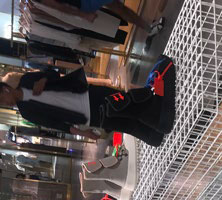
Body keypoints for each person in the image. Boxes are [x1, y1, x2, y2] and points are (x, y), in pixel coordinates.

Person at [0, 68, 171, 147]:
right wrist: (84, 133)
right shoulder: (26, 112)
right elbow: (56, 124)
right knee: (127, 123)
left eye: (2, 99)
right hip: (87, 116)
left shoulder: (27, 80)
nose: (5, 103)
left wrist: (43, 80)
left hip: (89, 94)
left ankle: (156, 128)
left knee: (128, 104)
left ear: (6, 89)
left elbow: (52, 73)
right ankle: (157, 127)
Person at [36, 0, 165, 50]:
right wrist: (83, 15)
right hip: (83, 2)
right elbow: (59, 6)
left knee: (120, 8)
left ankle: (148, 27)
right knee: (120, 8)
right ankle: (149, 28)